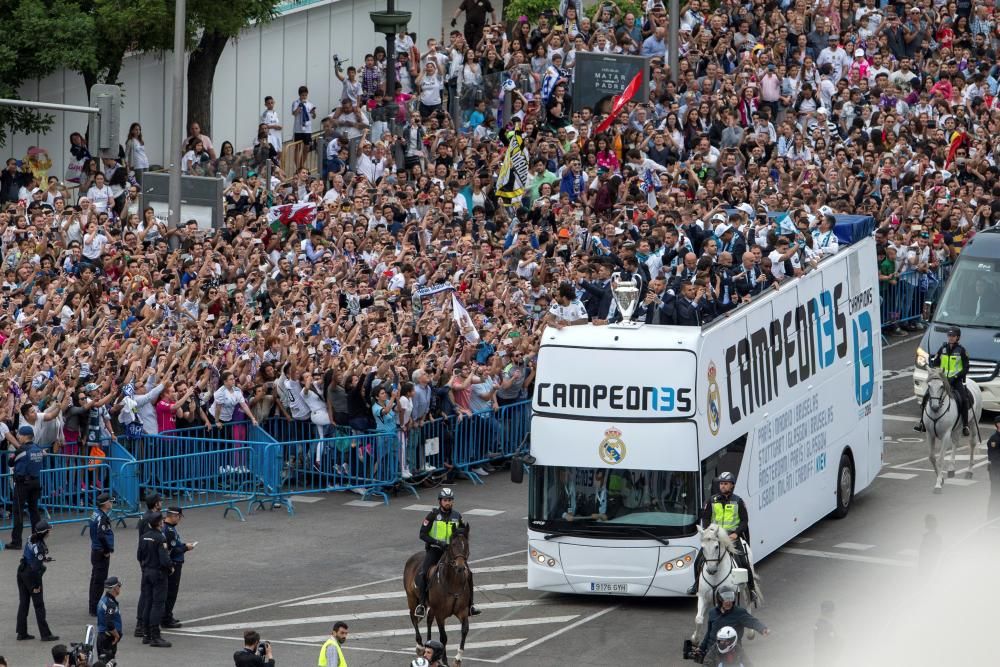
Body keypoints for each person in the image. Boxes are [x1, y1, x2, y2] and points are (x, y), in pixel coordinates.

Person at [688, 472, 756, 601]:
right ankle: (696, 585)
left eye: (725, 484)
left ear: (732, 485)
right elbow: (706, 518)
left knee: (744, 562)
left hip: (732, 537)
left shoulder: (738, 501)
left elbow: (744, 521)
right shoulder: (711, 500)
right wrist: (710, 531)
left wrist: (736, 533)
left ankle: (751, 589)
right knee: (698, 561)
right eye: (721, 484)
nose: (723, 486)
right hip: (715, 537)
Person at [413, 488, 479, 619]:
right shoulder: (432, 515)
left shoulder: (457, 516)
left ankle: (470, 605)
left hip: (453, 552)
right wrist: (438, 542)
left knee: (469, 574)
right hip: (435, 550)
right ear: (440, 501)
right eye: (445, 500)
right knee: (423, 573)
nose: (448, 502)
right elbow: (422, 534)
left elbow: (462, 534)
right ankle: (421, 604)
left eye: (450, 500)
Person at [914, 326, 971, 435]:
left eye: (953, 336)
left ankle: (965, 426)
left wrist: (955, 377)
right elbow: (936, 363)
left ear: (958, 337)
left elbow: (966, 367)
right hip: (942, 380)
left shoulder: (962, 350)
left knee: (964, 399)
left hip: (955, 380)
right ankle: (922, 423)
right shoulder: (943, 349)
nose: (950, 338)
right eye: (949, 335)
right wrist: (935, 372)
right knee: (926, 396)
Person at [696, 586, 769, 657]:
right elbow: (709, 632)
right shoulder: (712, 612)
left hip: (732, 651)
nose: (728, 602)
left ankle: (751, 590)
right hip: (712, 650)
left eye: (730, 599)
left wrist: (762, 629)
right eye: (725, 599)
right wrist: (702, 647)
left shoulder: (739, 613)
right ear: (719, 600)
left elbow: (753, 622)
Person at [16, 519, 58, 641]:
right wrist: (36, 585)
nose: (50, 532)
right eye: (49, 530)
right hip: (31, 575)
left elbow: (32, 556)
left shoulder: (31, 538)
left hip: (21, 571)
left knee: (23, 603)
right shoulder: (40, 546)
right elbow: (35, 568)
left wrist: (44, 558)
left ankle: (21, 632)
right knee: (39, 605)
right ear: (45, 532)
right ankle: (45, 634)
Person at [6, 424, 45, 549]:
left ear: (24, 436)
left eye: (19, 435)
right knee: (34, 511)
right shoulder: (38, 448)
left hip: (23, 484)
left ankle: (16, 541)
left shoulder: (21, 450)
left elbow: (10, 462)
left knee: (18, 512)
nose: (18, 437)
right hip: (36, 482)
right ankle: (38, 539)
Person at [138, 511, 172, 647]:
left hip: (146, 572)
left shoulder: (144, 537)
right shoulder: (160, 538)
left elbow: (139, 556)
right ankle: (155, 636)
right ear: (159, 523)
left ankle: (146, 633)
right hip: (158, 574)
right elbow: (164, 559)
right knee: (158, 604)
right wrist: (170, 567)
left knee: (148, 602)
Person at [133, 492, 163, 637]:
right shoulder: (148, 520)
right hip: (149, 561)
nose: (161, 503)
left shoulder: (146, 517)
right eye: (159, 501)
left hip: (146, 559)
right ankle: (141, 624)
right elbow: (147, 541)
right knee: (146, 593)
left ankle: (144, 623)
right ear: (156, 504)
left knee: (148, 592)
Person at [162, 506, 196, 628]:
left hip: (172, 563)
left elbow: (175, 545)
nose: (180, 519)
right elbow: (174, 550)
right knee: (171, 592)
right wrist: (186, 547)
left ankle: (167, 615)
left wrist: (183, 544)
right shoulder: (169, 530)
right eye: (179, 517)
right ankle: (166, 618)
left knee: (170, 591)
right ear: (174, 516)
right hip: (174, 563)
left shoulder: (167, 528)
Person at [88, 492, 115, 616]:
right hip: (100, 552)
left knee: (95, 579)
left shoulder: (95, 514)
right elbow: (101, 534)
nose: (112, 503)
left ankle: (92, 605)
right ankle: (94, 608)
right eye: (110, 501)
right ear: (105, 504)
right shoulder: (102, 517)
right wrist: (106, 550)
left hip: (95, 550)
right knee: (99, 581)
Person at [96, 576, 123, 662]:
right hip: (107, 639)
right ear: (115, 588)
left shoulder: (103, 600)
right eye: (119, 586)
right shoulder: (110, 604)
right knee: (108, 663)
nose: (120, 587)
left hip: (102, 637)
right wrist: (117, 635)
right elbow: (109, 623)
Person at [988, 415, 1000, 520]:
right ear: (997, 425)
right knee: (995, 493)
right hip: (996, 470)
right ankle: (991, 516)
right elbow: (993, 456)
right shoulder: (994, 439)